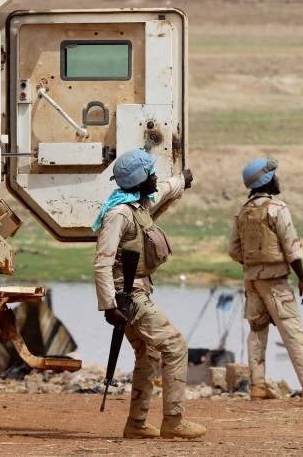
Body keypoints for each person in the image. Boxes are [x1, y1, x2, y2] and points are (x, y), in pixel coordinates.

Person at [92, 149, 206, 440]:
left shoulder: (136, 207)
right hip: (128, 297)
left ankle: (137, 424)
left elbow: (164, 189)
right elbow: (102, 262)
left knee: (149, 353)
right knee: (175, 346)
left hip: (136, 293)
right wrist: (109, 306)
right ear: (140, 179)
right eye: (151, 173)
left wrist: (181, 180)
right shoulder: (119, 215)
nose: (156, 177)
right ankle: (174, 421)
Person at [229, 158, 303, 400]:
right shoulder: (277, 209)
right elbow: (291, 246)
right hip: (276, 280)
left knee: (257, 331)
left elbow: (234, 250)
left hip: (252, 279)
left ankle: (257, 386)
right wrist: (302, 278)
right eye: (275, 176)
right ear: (267, 180)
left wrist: (253, 265)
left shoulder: (243, 212)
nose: (278, 180)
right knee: (292, 330)